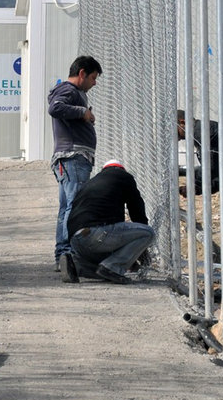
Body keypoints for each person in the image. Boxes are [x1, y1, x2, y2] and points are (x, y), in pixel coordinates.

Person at [48, 55, 102, 283]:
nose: (94, 83)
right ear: (81, 73)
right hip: (73, 157)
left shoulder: (73, 93)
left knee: (67, 207)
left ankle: (63, 255)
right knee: (73, 206)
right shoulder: (68, 90)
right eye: (93, 77)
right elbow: (55, 108)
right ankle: (68, 255)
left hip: (73, 159)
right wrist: (82, 112)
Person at [65, 160, 155, 284]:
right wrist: (142, 248)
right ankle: (113, 268)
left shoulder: (92, 182)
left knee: (102, 269)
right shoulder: (124, 177)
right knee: (148, 233)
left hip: (76, 241)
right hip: (96, 234)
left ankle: (76, 266)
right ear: (122, 169)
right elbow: (136, 209)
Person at [176, 110, 223, 239]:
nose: (178, 139)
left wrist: (195, 185)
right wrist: (197, 188)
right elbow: (218, 170)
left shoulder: (203, 132)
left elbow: (209, 167)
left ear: (182, 122)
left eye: (177, 133)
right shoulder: (201, 132)